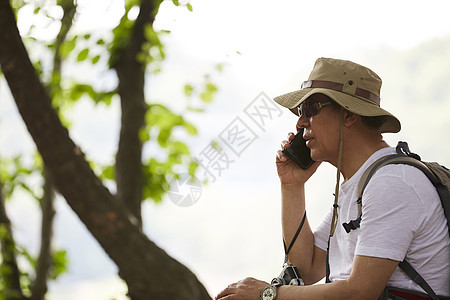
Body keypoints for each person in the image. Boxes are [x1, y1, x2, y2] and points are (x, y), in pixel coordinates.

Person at [215, 58, 450, 299]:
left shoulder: (391, 182)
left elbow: (360, 292)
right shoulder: (361, 184)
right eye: (300, 111)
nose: (300, 122)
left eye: (310, 109)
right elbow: (305, 269)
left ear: (348, 115)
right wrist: (292, 185)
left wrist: (268, 294)